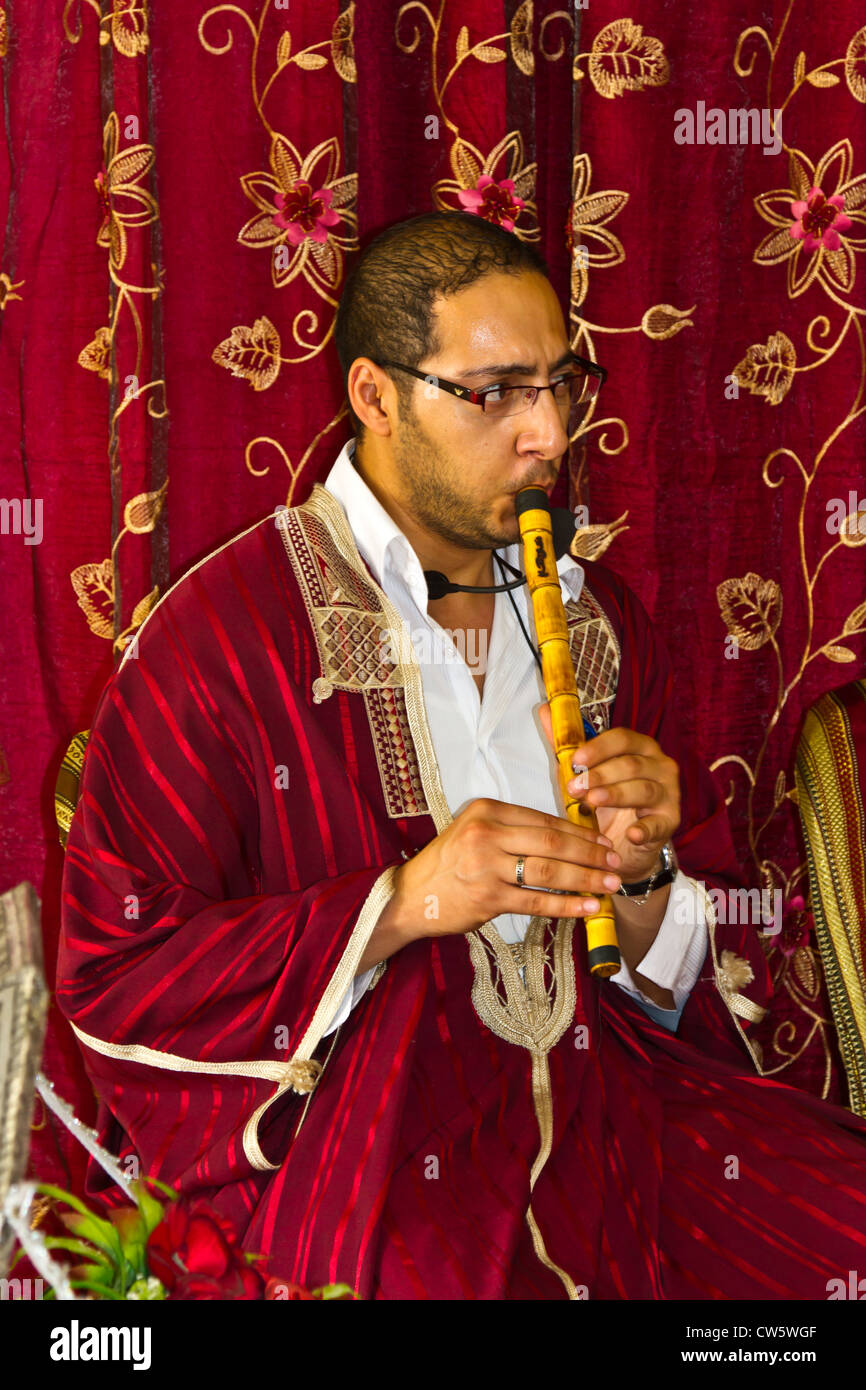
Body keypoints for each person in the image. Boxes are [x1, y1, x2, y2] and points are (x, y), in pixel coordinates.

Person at [57, 212, 866, 1301]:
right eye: (494, 393)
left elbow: (670, 982)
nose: (545, 435)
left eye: (559, 385)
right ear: (375, 398)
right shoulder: (224, 637)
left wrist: (638, 875)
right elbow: (116, 972)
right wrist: (398, 902)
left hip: (616, 1112)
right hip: (369, 1148)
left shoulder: (601, 625)